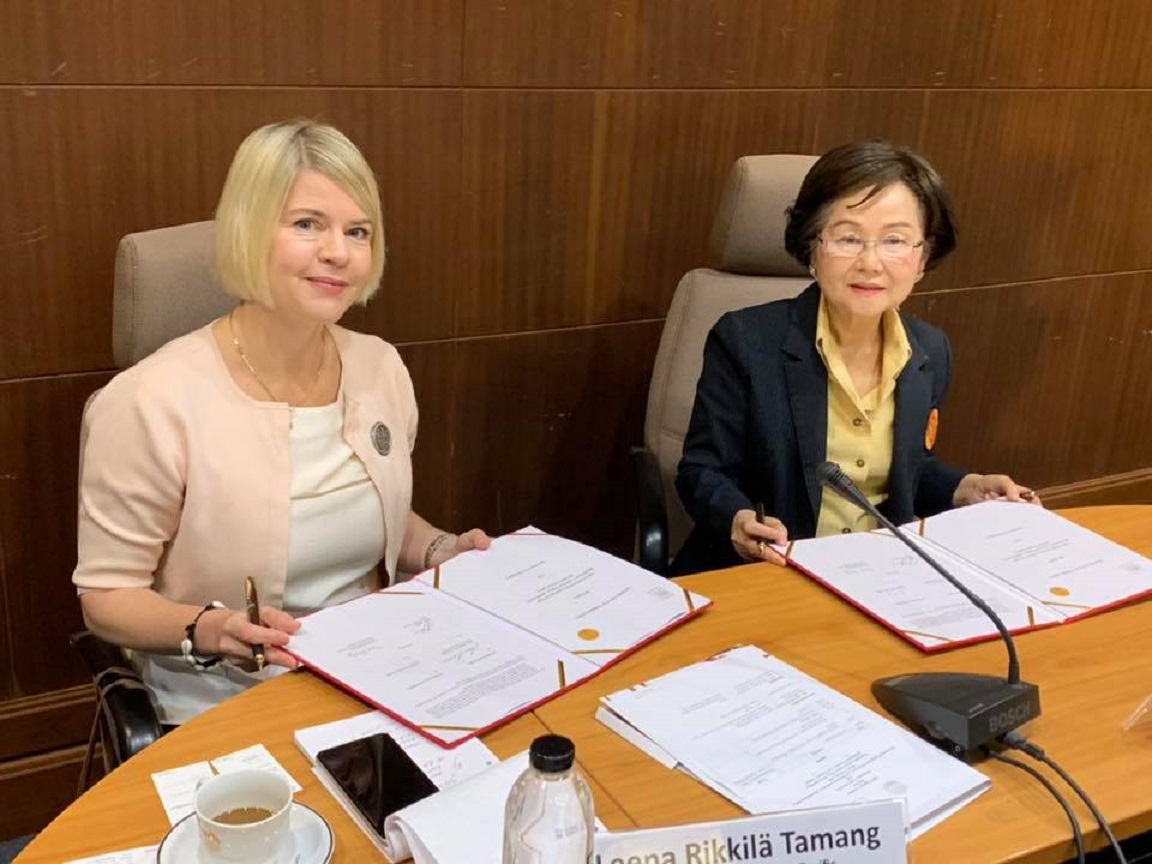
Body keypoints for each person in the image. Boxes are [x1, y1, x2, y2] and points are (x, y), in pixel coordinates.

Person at [73, 119, 490, 725]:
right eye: (306, 224)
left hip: (376, 677)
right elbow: (106, 599)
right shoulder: (147, 402)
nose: (338, 252)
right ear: (246, 229)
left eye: (358, 231)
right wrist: (211, 629)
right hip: (224, 701)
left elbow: (370, 516)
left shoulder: (380, 368)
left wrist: (440, 548)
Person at [673, 139, 1037, 576]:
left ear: (923, 257)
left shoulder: (929, 351)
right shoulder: (747, 340)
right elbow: (703, 470)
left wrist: (965, 488)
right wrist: (737, 520)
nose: (870, 262)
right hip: (772, 573)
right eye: (848, 238)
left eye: (895, 241)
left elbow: (908, 471)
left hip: (882, 573)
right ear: (812, 248)